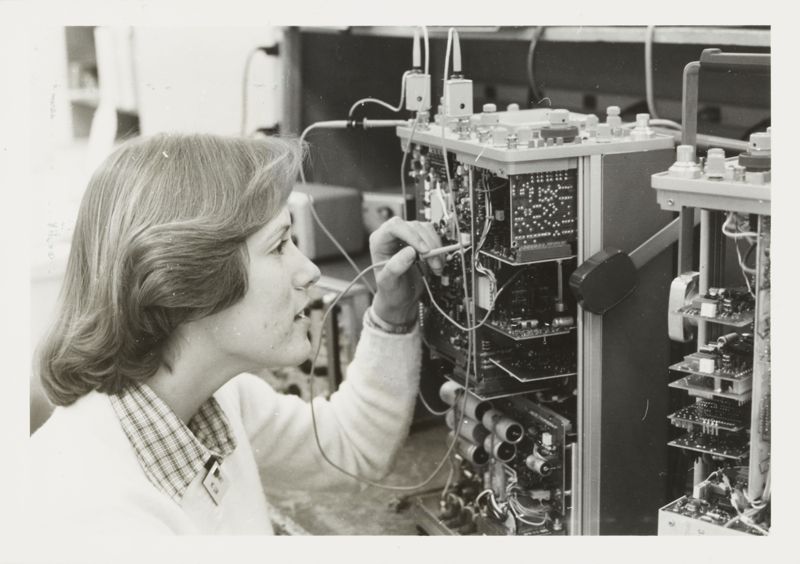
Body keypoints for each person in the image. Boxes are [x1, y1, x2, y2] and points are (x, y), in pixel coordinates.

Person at [28, 133, 443, 534]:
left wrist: (392, 311)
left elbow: (350, 446)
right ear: (187, 281)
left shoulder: (218, 402)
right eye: (280, 245)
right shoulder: (93, 518)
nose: (310, 271)